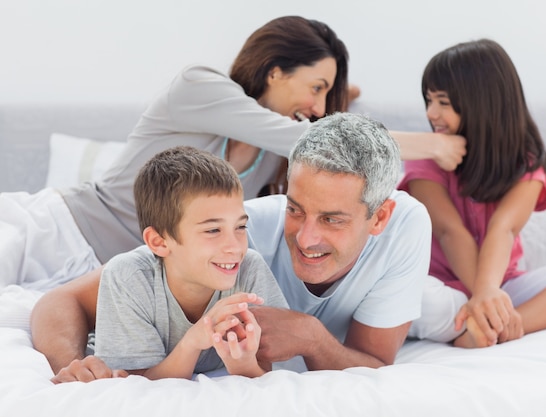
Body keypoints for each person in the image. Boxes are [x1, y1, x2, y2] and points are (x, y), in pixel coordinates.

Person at [1, 15, 464, 294]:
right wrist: (436, 145)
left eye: (327, 97)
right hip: (55, 230)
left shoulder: (271, 155)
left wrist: (329, 96)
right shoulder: (198, 86)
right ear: (276, 70)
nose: (320, 108)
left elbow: (318, 136)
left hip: (106, 272)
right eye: (315, 88)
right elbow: (323, 137)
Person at [32, 112, 448, 382]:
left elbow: (376, 365)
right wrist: (72, 367)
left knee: (455, 316)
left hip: (403, 307)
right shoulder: (237, 233)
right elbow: (63, 299)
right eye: (296, 209)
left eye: (332, 219)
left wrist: (311, 337)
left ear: (379, 218)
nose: (305, 238)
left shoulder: (405, 226)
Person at [398, 39, 546, 348]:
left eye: (443, 102)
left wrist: (489, 293)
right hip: (448, 290)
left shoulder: (526, 162)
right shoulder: (427, 154)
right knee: (417, 297)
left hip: (503, 288)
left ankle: (498, 328)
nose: (431, 113)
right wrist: (480, 295)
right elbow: (449, 231)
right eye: (429, 101)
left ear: (480, 101)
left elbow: (503, 229)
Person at [91, 146, 289, 381]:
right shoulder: (129, 277)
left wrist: (244, 365)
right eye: (213, 230)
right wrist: (193, 342)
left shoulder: (249, 270)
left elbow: (273, 374)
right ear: (159, 242)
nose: (235, 247)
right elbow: (137, 384)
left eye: (240, 227)